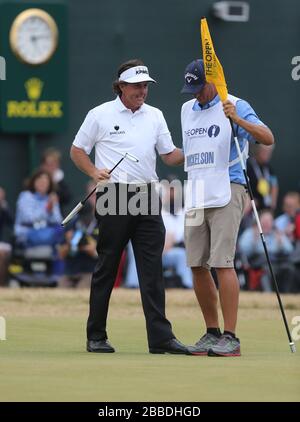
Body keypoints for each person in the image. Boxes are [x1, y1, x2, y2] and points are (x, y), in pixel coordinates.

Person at [70, 59, 191, 354]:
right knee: (107, 267)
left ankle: (160, 338)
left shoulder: (155, 116)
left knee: (152, 270)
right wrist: (92, 172)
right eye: (137, 86)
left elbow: (169, 156)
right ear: (121, 86)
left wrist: (196, 152)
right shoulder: (100, 114)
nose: (142, 91)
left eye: (145, 86)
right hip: (114, 196)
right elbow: (77, 150)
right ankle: (96, 335)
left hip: (148, 196)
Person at [181, 59, 274, 356]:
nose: (195, 94)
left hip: (228, 187)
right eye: (191, 89)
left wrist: (238, 120)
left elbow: (267, 138)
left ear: (212, 82)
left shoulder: (234, 104)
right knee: (197, 264)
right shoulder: (186, 110)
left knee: (223, 262)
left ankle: (231, 337)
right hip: (196, 191)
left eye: (199, 88)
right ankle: (212, 332)